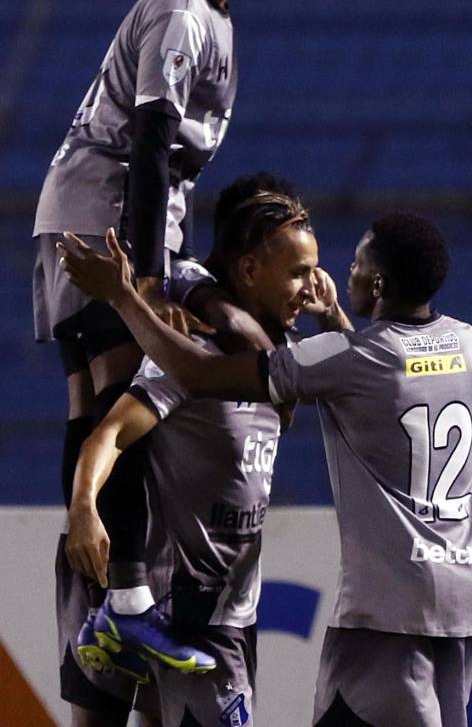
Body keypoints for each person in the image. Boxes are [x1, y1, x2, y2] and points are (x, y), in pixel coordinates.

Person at [60, 211, 472, 727]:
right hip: (463, 598)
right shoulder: (470, 343)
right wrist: (336, 317)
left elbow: (200, 372)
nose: (336, 276)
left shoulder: (345, 357)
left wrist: (124, 297)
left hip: (388, 610)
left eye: (355, 263)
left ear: (377, 282)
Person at [33, 0, 283, 726]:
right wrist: (140, 281)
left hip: (125, 224)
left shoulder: (211, 14)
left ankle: (100, 569)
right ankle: (127, 600)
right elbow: (145, 144)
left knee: (102, 395)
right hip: (101, 220)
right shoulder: (181, 14)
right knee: (128, 380)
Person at [64, 181, 350, 727]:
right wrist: (84, 507)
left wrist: (331, 315)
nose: (308, 284)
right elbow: (112, 435)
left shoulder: (282, 354)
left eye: (313, 270)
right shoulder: (196, 353)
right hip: (185, 615)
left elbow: (355, 381)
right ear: (247, 271)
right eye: (296, 272)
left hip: (230, 610)